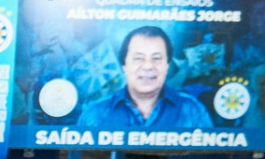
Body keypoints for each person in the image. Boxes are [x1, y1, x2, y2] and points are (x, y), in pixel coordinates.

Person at [75, 25, 215, 132]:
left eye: (156, 58)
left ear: (167, 65)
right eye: (138, 58)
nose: (148, 66)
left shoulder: (192, 111)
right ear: (124, 65)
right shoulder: (95, 114)